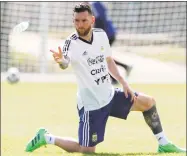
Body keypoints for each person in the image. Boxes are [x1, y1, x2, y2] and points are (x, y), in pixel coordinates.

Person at [25, 3, 185, 154]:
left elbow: (108, 61)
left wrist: (123, 83)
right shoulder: (70, 42)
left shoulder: (101, 36)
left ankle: (164, 144)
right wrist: (61, 62)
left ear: (92, 20)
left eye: (83, 20)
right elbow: (65, 62)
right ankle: (47, 137)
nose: (80, 25)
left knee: (148, 102)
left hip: (110, 95)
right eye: (76, 21)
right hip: (91, 105)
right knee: (86, 150)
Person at [91, 1, 132, 85]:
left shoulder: (94, 4)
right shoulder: (96, 4)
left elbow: (100, 19)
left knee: (100, 57)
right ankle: (123, 68)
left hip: (107, 34)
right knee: (102, 56)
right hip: (108, 33)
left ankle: (113, 78)